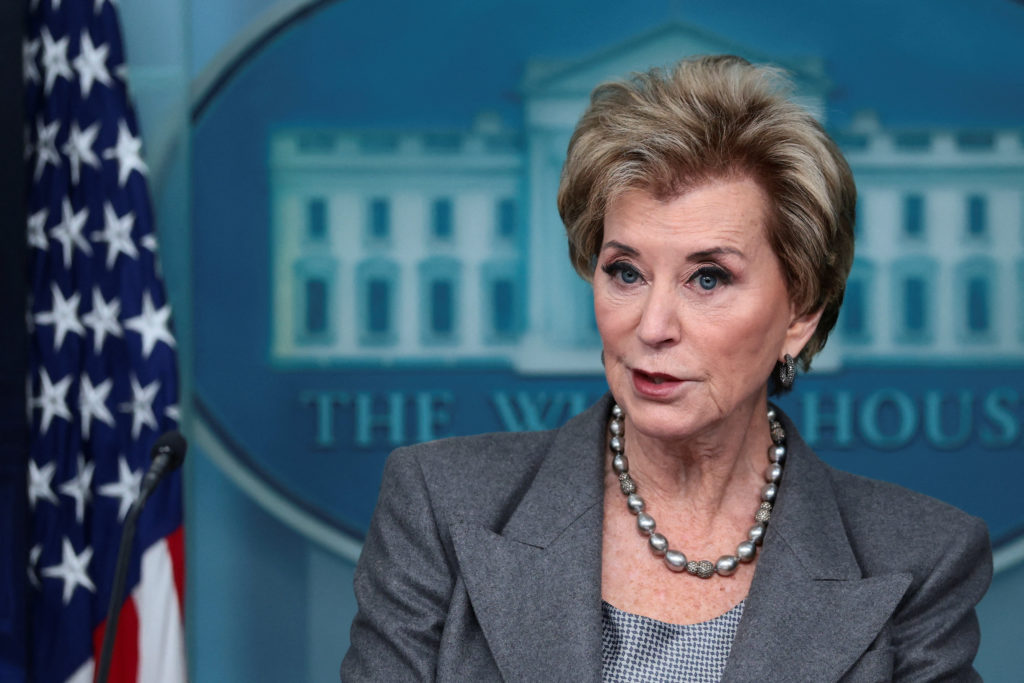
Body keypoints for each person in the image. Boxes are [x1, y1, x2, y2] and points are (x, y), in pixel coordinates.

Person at [341, 55, 991, 682]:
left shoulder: (920, 559)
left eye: (708, 278)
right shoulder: (438, 505)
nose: (652, 326)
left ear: (801, 311)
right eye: (625, 271)